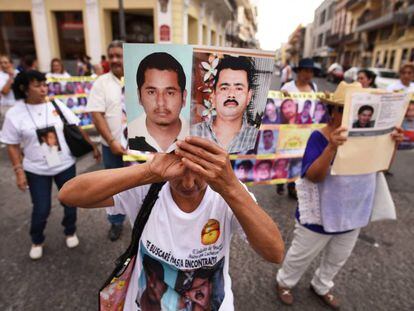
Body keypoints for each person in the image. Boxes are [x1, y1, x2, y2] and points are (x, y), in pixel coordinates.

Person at [58, 136, 285, 311]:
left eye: (198, 172)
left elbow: (275, 252)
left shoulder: (227, 195)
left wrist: (232, 188)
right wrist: (147, 171)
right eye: (179, 171)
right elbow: (69, 194)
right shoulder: (147, 186)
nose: (188, 184)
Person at [275, 82, 404, 309]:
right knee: (301, 254)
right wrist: (331, 148)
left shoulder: (370, 137)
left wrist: (391, 145)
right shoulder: (319, 137)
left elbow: (382, 167)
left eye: (354, 111)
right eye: (343, 110)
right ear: (332, 113)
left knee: (338, 257)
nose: (349, 116)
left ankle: (322, 285)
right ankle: (285, 282)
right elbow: (313, 176)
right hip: (320, 214)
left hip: (353, 212)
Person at [0, 70, 100, 260]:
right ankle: (37, 239)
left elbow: (75, 126)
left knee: (71, 201)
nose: (43, 88)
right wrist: (18, 171)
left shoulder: (56, 104)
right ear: (24, 88)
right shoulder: (15, 114)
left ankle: (70, 230)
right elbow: (12, 146)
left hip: (64, 164)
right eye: (37, 85)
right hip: (36, 169)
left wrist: (92, 146)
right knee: (41, 207)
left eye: (44, 84)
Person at [86, 40, 127, 241]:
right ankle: (116, 223)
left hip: (137, 151)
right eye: (111, 56)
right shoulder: (101, 82)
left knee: (143, 187)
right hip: (111, 148)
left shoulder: (141, 78)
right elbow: (96, 114)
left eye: (118, 55)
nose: (114, 60)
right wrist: (111, 141)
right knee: (113, 188)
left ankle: (146, 222)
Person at [192, 56, 258, 154]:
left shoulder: (257, 138)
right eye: (224, 88)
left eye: (239, 88)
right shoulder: (192, 134)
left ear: (249, 96)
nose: (231, 94)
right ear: (213, 96)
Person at [128, 52, 189, 153]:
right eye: (151, 92)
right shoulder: (127, 135)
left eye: (170, 93)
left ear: (184, 97)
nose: (161, 103)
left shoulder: (198, 136)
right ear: (139, 96)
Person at [279, 58, 319, 198]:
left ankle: (293, 186)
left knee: (300, 158)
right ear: (299, 72)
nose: (308, 74)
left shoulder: (314, 87)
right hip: (290, 129)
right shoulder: (287, 87)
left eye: (311, 72)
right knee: (288, 157)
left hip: (307, 130)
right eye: (306, 71)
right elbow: (280, 108)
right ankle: (282, 181)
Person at [0, 54, 19, 125]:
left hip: (18, 105)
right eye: (1, 63)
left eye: (5, 62)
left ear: (11, 64)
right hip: (6, 107)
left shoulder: (18, 73)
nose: (3, 65)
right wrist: (11, 77)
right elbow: (5, 91)